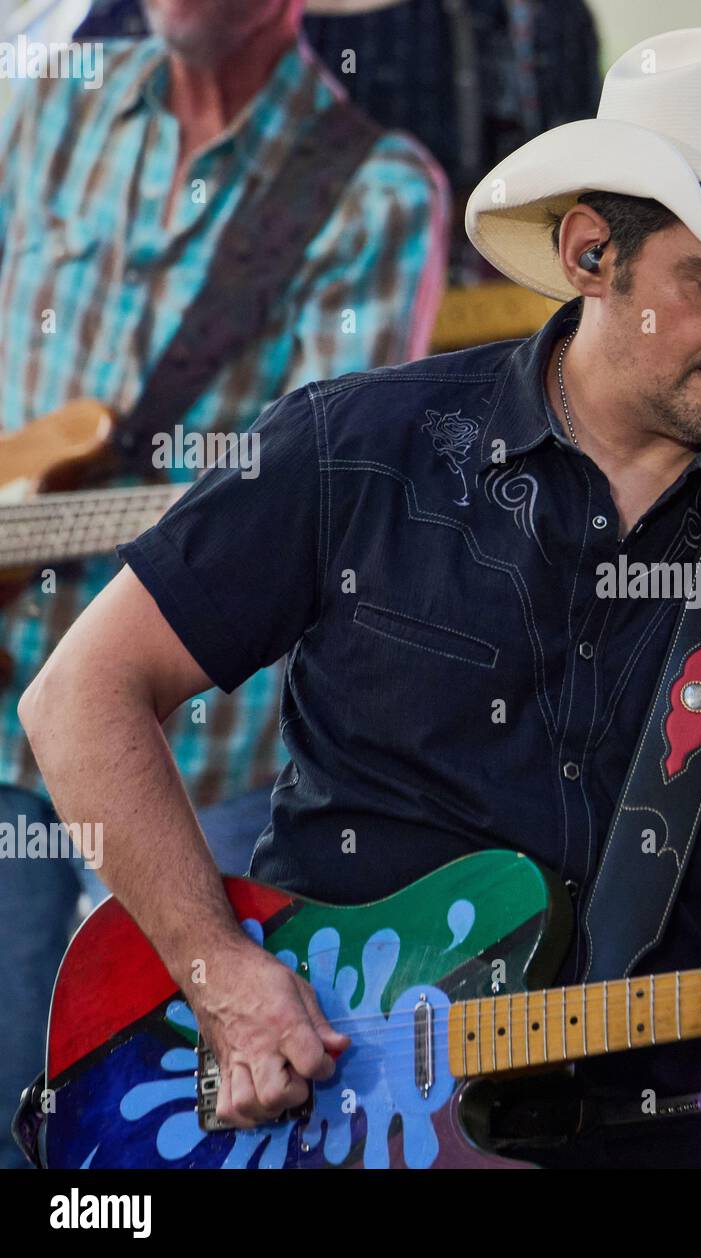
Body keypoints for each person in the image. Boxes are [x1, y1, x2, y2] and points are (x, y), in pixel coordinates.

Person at [18, 26, 701, 1170]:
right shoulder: (357, 445)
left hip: (631, 1134)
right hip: (310, 1117)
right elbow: (81, 694)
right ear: (593, 252)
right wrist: (220, 972)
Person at [0, 0, 448, 1167]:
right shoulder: (49, 99)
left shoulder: (376, 191)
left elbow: (317, 501)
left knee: (137, 1142)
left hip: (190, 764)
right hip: (3, 718)